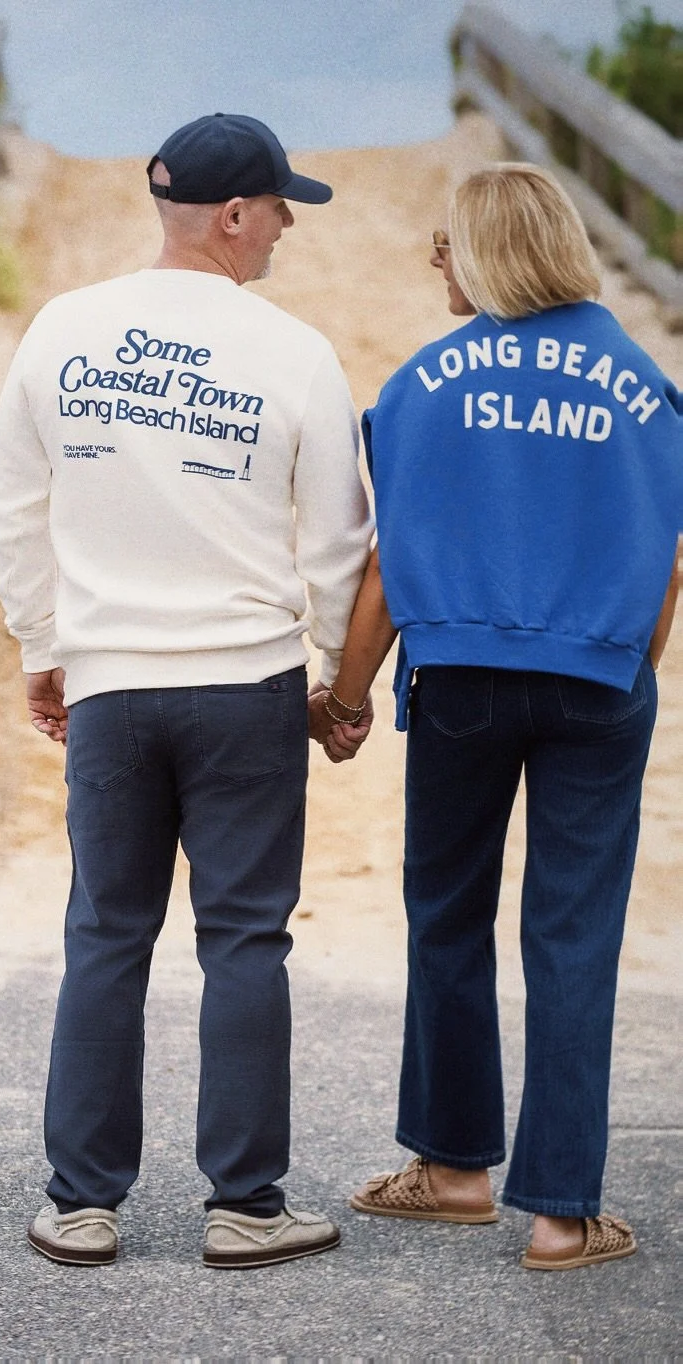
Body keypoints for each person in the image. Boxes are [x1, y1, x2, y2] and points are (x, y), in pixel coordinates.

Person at [0, 113, 373, 1269]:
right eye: (277, 207)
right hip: (243, 683)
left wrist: (41, 645)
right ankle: (244, 1204)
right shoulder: (291, 350)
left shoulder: (62, 329)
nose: (288, 228)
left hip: (110, 684)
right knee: (243, 938)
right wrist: (325, 675)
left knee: (105, 933)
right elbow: (340, 536)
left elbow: (13, 502)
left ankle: (81, 1200)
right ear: (232, 215)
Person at [316, 163, 682, 1271]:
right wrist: (627, 670)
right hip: (598, 677)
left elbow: (383, 567)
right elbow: (665, 559)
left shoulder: (424, 386)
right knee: (572, 936)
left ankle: (455, 1166)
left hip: (463, 673)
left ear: (481, 249)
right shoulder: (643, 383)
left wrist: (339, 697)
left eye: (444, 242)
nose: (433, 257)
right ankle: (560, 1214)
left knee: (446, 909)